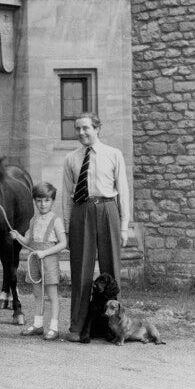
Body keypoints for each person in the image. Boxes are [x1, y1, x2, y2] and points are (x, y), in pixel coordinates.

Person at [62, 111, 129, 343]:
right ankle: (77, 326)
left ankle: (115, 327)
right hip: (82, 210)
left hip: (108, 209)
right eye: (78, 129)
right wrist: (67, 229)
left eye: (86, 128)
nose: (81, 133)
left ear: (97, 128)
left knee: (111, 269)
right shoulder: (71, 158)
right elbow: (66, 196)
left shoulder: (113, 154)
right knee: (81, 271)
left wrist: (124, 226)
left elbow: (123, 191)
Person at [13, 182, 67, 341]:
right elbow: (29, 241)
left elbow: (63, 243)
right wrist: (18, 236)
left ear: (52, 201)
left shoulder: (56, 220)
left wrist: (45, 252)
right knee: (37, 294)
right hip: (35, 260)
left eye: (47, 200)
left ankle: (54, 328)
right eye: (39, 201)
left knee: (52, 295)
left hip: (48, 261)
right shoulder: (33, 220)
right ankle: (38, 325)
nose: (43, 204)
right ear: (34, 201)